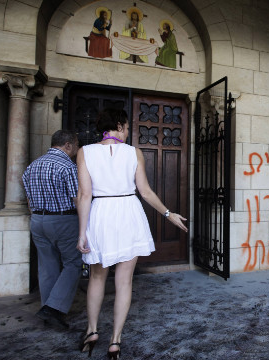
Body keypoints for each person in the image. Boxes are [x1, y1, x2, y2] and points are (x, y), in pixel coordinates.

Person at [76, 109, 187, 359]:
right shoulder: (133, 152)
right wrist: (169, 214)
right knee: (124, 281)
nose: (128, 133)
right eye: (127, 128)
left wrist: (82, 233)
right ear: (119, 125)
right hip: (128, 213)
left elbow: (84, 195)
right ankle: (115, 340)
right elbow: (145, 192)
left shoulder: (85, 152)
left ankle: (92, 331)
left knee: (96, 277)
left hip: (101, 213)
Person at [22, 130, 81, 330]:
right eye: (76, 145)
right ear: (68, 145)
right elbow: (77, 199)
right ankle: (53, 308)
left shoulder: (32, 166)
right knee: (73, 263)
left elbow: (29, 200)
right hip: (63, 220)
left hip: (38, 220)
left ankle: (48, 312)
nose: (76, 150)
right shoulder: (67, 166)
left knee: (47, 267)